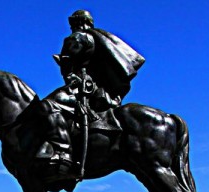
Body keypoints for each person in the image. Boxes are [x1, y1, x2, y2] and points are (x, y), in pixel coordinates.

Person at [40, 9, 145, 177]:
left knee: (47, 105)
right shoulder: (99, 39)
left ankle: (63, 153)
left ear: (76, 22)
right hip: (97, 87)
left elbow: (68, 62)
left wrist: (65, 68)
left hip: (82, 85)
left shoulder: (76, 38)